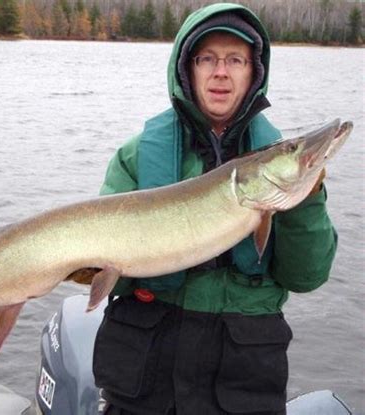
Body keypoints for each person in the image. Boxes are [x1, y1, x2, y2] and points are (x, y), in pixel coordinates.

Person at [93, 3, 337, 415]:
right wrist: (86, 267)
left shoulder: (279, 168)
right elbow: (110, 283)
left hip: (241, 385)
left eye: (235, 59)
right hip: (147, 382)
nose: (220, 72)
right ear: (187, 68)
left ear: (253, 72)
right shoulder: (137, 155)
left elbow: (307, 275)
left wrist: (306, 195)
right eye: (207, 58)